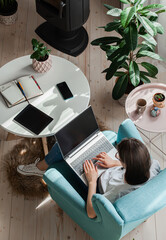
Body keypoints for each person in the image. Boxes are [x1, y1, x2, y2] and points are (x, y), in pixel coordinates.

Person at [17, 138, 160, 219]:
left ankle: (40, 168)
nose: (116, 155)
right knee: (82, 140)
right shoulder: (153, 166)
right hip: (108, 170)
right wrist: (115, 162)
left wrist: (92, 180)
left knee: (64, 145)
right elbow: (135, 167)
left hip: (96, 183)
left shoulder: (118, 191)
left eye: (119, 156)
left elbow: (92, 213)